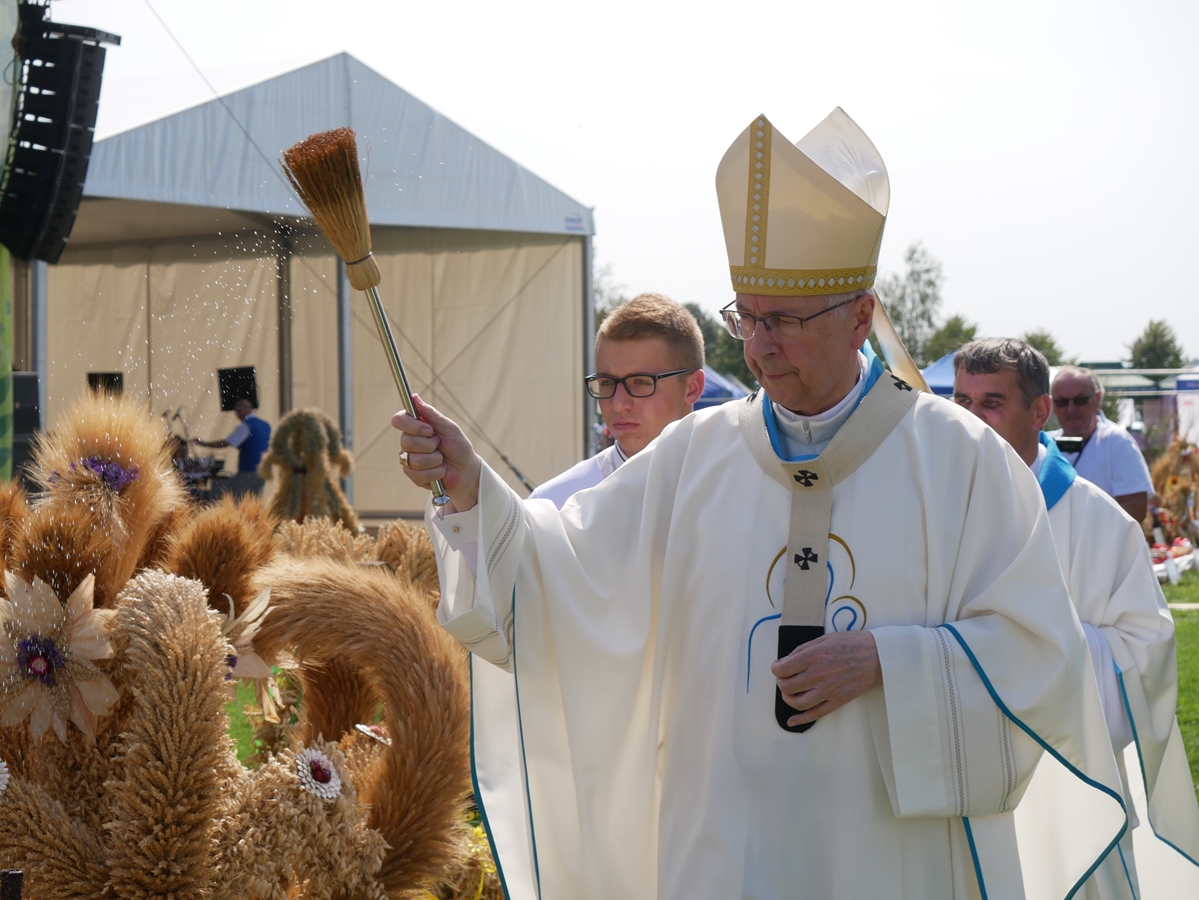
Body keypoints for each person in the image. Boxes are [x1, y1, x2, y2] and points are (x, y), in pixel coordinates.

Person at [395, 110, 1127, 899]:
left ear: (857, 316)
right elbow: (561, 574)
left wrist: (891, 658)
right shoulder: (692, 456)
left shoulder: (961, 460)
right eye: (746, 315)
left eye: (784, 320)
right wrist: (473, 488)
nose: (758, 344)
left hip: (890, 855)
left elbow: (1037, 654)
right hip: (721, 846)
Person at [953, 338, 1199, 899]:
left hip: (1073, 777)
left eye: (991, 403)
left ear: (1039, 412)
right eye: (961, 402)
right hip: (967, 775)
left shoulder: (1099, 521)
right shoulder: (934, 507)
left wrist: (1024, 652)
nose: (970, 419)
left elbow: (1146, 648)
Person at [531, 293, 706, 509]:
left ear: (692, 387)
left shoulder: (738, 487)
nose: (617, 403)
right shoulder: (553, 506)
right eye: (606, 383)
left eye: (640, 382)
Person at [1049, 366, 1153, 524]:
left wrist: (1087, 537)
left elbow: (1135, 507)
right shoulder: (1046, 443)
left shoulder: (1115, 440)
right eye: (1062, 402)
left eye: (1080, 400)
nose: (1071, 409)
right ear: (1052, 405)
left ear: (1097, 399)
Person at [193, 398, 271, 498]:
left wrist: (204, 444)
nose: (237, 416)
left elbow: (226, 443)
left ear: (242, 410)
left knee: (235, 497)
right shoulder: (266, 425)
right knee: (255, 501)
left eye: (237, 412)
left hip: (248, 470)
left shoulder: (246, 426)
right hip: (263, 470)